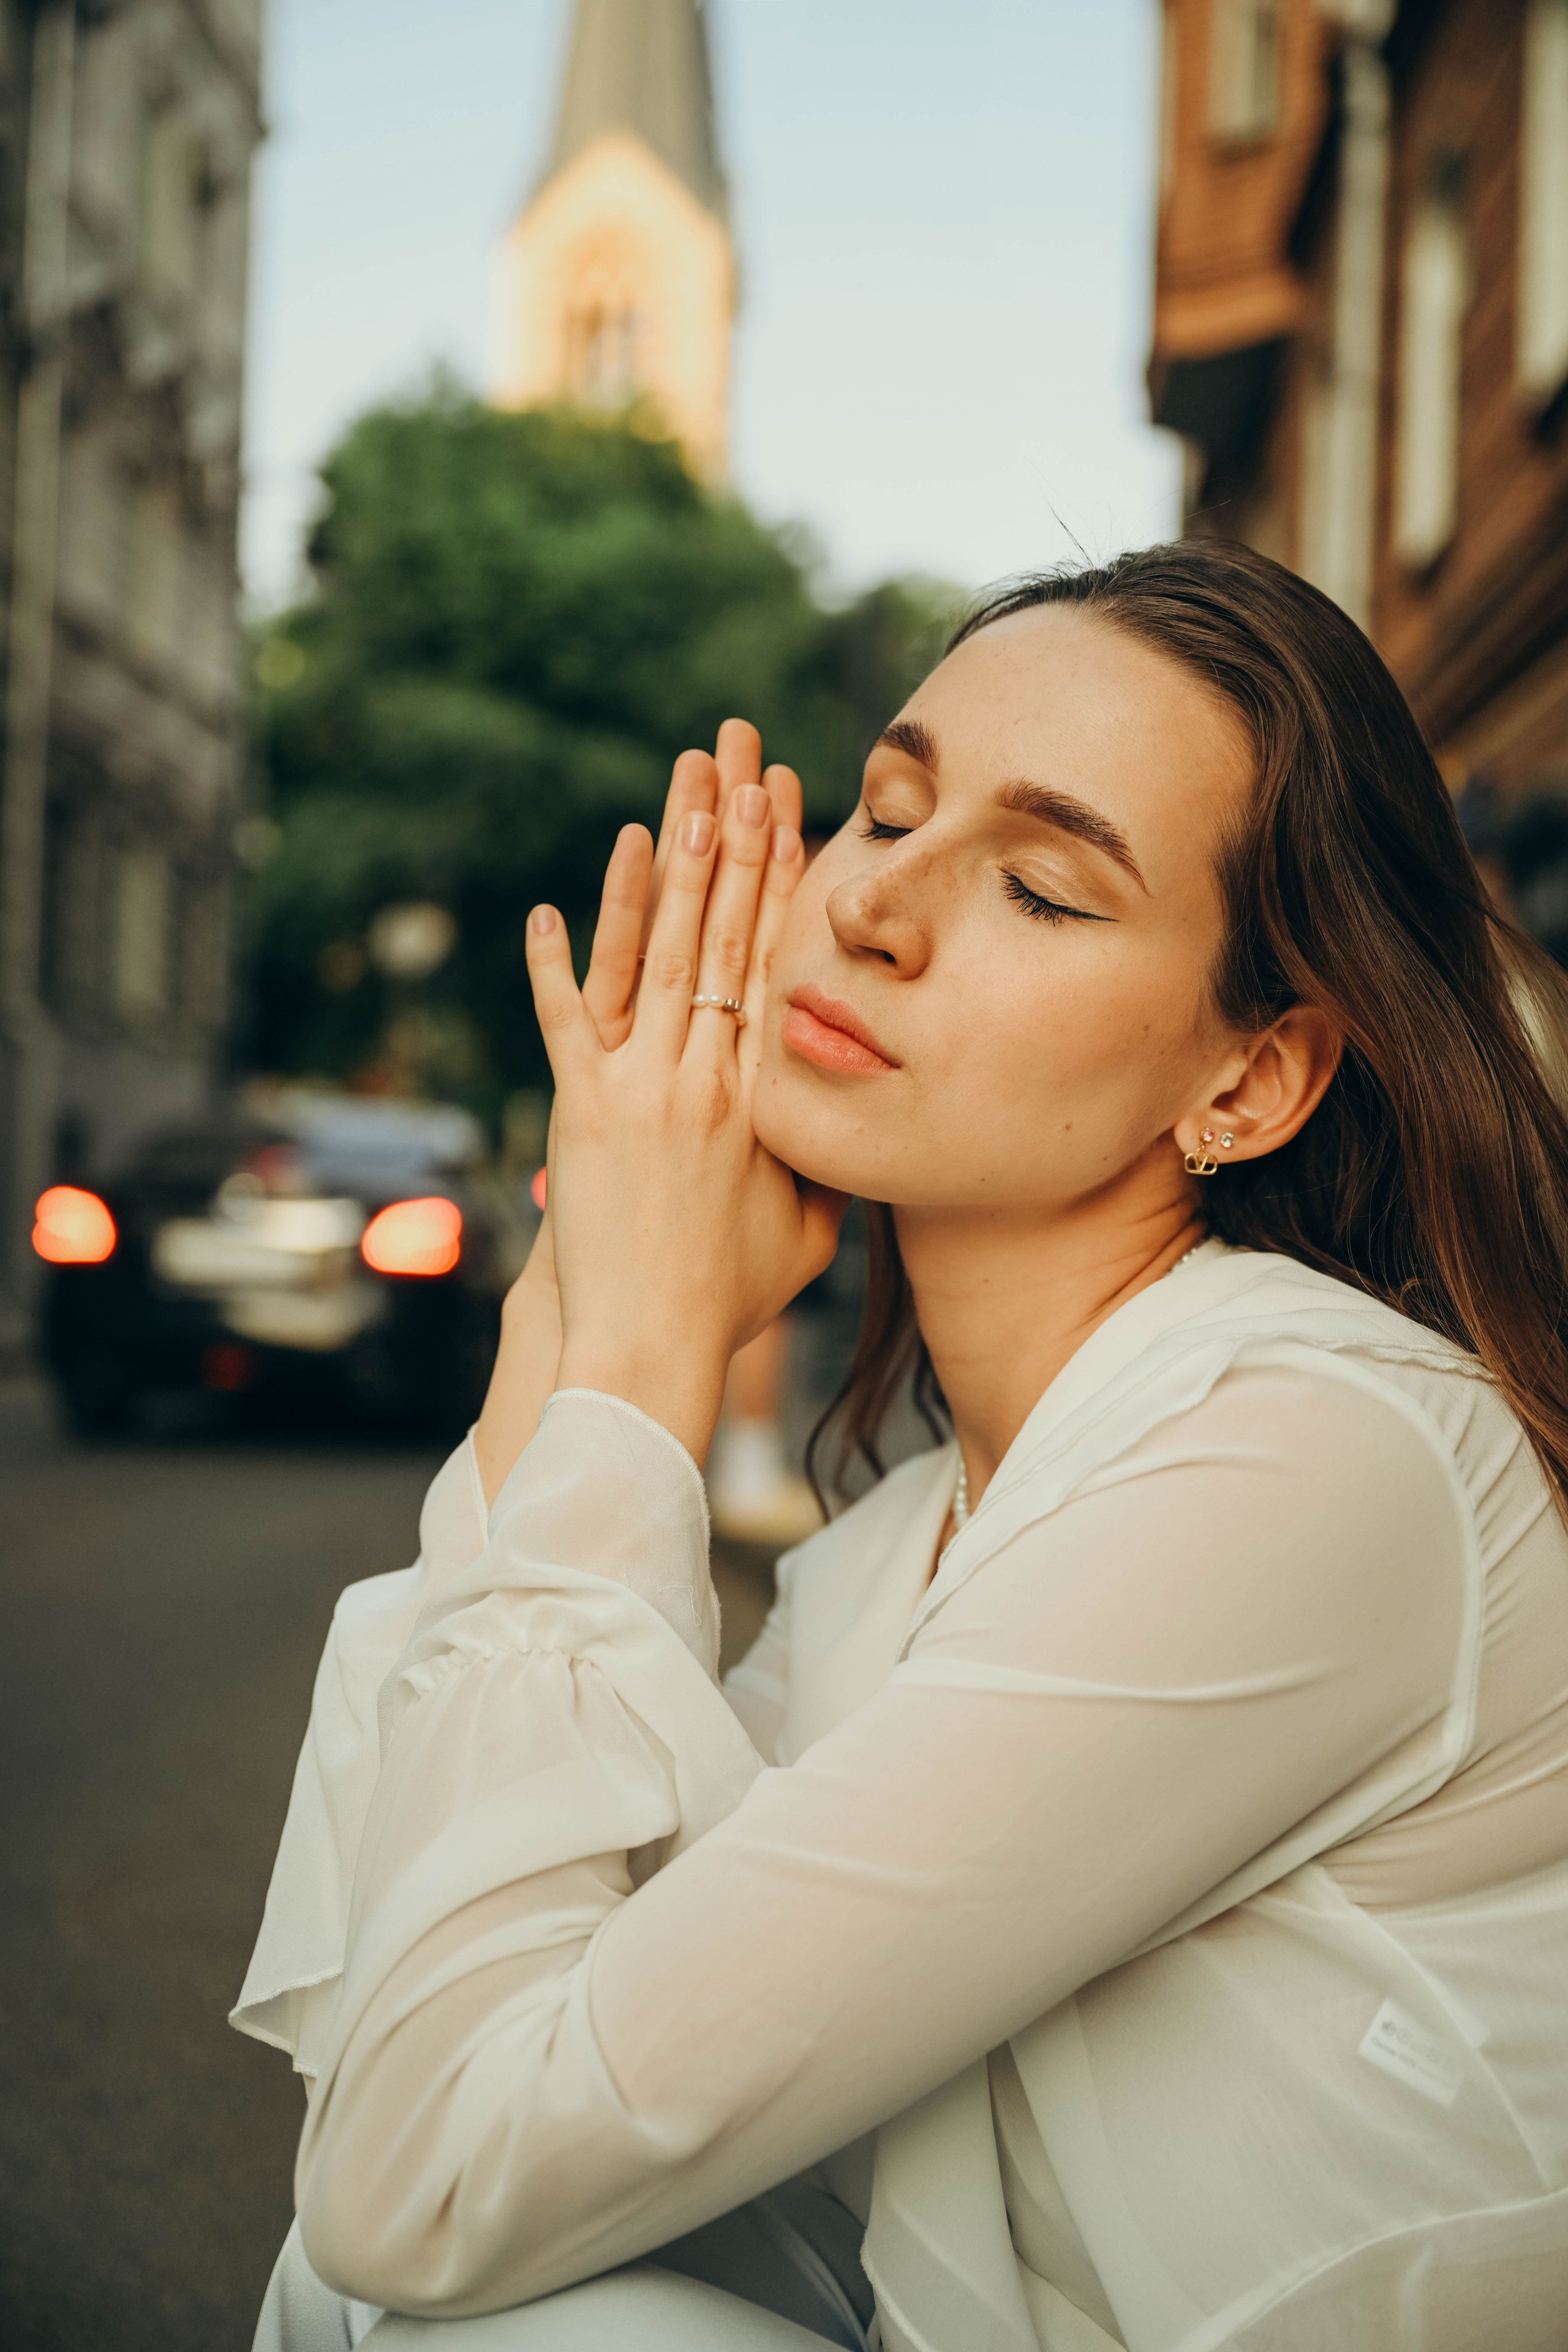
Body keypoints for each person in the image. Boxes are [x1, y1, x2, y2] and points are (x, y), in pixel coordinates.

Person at [235, 541, 1568, 2352]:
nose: (880, 905)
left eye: (1037, 885)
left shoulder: (1312, 1455)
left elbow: (434, 2170)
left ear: (1247, 1080)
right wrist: (593, 1288)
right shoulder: (900, 1545)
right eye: (884, 812)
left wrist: (635, 1362)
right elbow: (430, 2006)